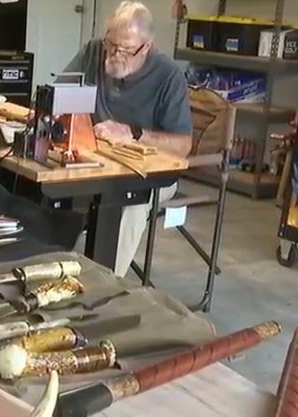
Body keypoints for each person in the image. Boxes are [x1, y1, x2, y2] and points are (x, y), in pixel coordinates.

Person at [66, 1, 193, 277]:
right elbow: (61, 97)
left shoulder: (169, 75)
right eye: (111, 45)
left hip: (150, 174)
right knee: (52, 192)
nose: (114, 55)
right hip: (98, 162)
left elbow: (183, 146)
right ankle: (54, 269)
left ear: (146, 47)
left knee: (129, 205)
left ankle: (104, 285)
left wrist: (134, 133)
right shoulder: (94, 51)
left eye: (125, 50)